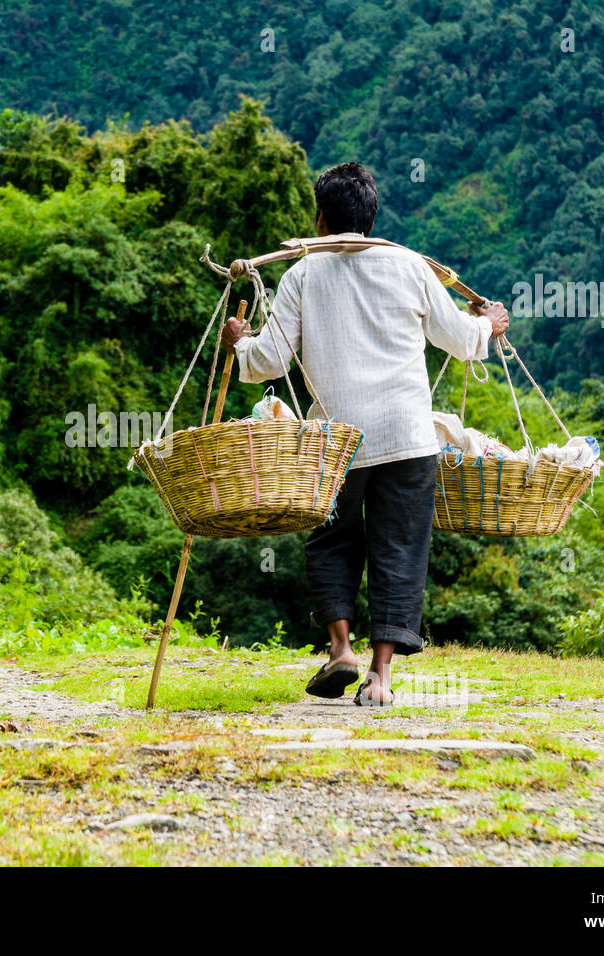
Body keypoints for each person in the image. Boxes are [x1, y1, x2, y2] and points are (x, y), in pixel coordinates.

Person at [221, 162, 509, 706]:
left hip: (337, 444)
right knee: (399, 547)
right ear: (372, 217)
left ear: (322, 218)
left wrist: (240, 340)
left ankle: (341, 650)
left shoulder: (303, 274)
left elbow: (267, 360)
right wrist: (487, 324)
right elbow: (458, 337)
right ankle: (380, 678)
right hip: (407, 438)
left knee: (331, 540)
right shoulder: (409, 265)